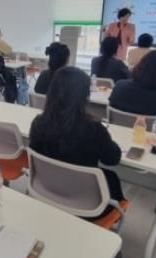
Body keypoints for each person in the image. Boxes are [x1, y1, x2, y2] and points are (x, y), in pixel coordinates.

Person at [29, 67, 125, 211]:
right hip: (89, 204)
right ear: (84, 96)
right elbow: (112, 159)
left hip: (47, 191)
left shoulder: (38, 123)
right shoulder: (94, 129)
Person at [109, 51, 156, 120]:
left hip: (119, 129)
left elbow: (112, 103)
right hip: (153, 131)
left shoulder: (120, 87)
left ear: (140, 66)